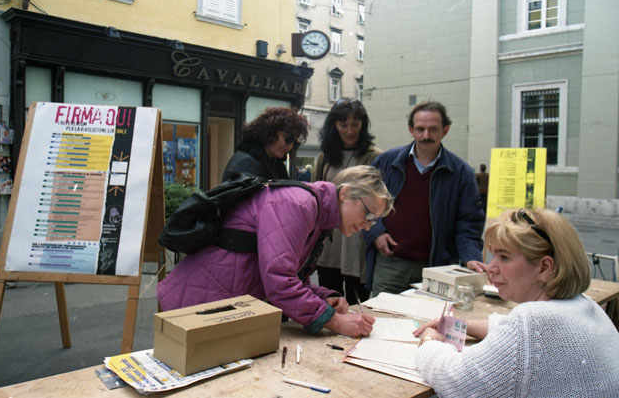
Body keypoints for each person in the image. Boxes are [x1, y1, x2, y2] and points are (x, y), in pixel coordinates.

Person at [157, 165, 394, 337]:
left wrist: (323, 298)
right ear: (345, 194)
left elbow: (289, 276)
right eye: (369, 214)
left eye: (375, 220)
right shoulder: (299, 204)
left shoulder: (316, 214)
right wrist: (337, 322)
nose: (368, 225)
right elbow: (279, 281)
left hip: (215, 308)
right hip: (195, 308)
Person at [414, 208, 619, 397]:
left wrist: (429, 341)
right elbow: (520, 336)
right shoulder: (585, 305)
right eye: (494, 256)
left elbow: (454, 380)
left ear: (544, 268)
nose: (491, 267)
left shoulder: (531, 321)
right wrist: (463, 325)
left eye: (504, 257)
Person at [362, 100, 485, 296]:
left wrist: (470, 257)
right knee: (383, 313)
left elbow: (469, 222)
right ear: (411, 130)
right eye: (420, 129)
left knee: (431, 316)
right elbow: (364, 203)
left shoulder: (460, 172)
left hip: (438, 267)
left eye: (433, 129)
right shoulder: (386, 163)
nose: (426, 136)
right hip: (391, 264)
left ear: (445, 130)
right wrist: (376, 232)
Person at [313, 98, 383, 304]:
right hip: (329, 242)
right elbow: (315, 196)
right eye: (343, 125)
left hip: (358, 241)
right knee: (330, 301)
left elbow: (381, 200)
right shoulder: (325, 157)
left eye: (355, 124)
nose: (350, 131)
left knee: (357, 302)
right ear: (334, 126)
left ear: (363, 124)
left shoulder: (375, 156)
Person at [222, 107, 309, 181]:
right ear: (270, 132)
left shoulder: (275, 163)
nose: (290, 146)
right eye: (288, 138)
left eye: (295, 143)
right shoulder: (246, 164)